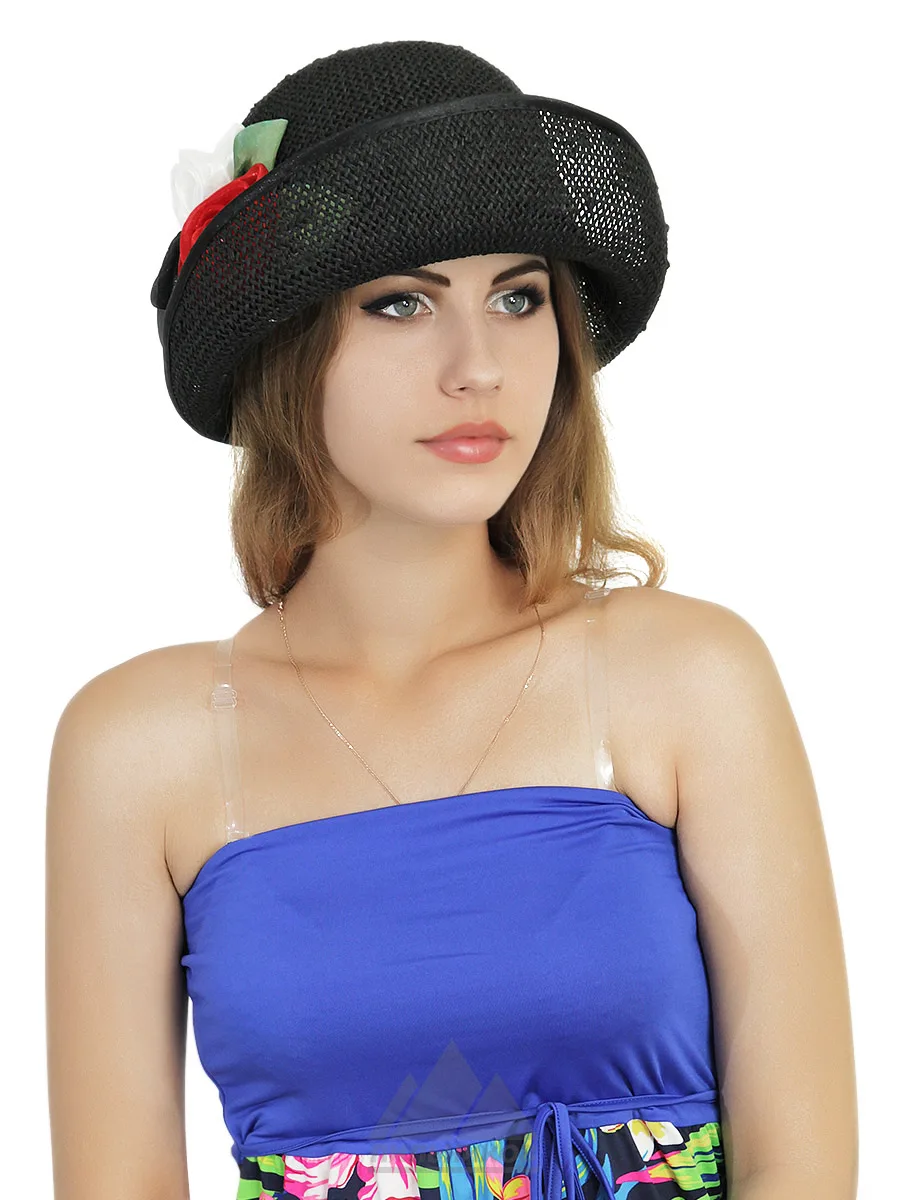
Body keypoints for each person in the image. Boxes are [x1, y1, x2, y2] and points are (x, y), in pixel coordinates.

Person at [45, 39, 857, 1200]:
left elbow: (807, 1172)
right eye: (400, 303)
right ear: (285, 343)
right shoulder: (139, 747)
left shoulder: (686, 679)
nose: (479, 365)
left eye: (519, 297)